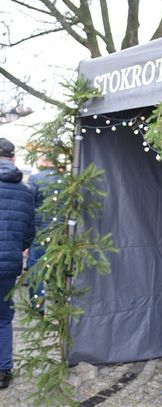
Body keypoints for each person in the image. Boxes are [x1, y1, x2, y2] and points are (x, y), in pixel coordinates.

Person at [0, 138, 35, 389]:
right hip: (10, 263)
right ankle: (3, 371)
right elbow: (29, 233)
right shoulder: (25, 191)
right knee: (3, 318)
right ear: (13, 158)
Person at [26, 154, 59, 311]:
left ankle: (38, 305)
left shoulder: (35, 179)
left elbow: (29, 205)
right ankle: (60, 302)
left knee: (36, 270)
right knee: (58, 268)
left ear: (43, 161)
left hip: (40, 232)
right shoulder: (65, 180)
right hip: (59, 232)